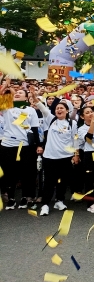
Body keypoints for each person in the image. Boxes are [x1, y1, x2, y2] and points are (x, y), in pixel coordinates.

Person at [0, 81, 41, 210]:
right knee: (9, 173)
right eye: (16, 92)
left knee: (26, 174)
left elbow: (34, 129)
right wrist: (5, 86)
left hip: (25, 146)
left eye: (21, 93)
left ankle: (25, 197)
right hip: (8, 145)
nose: (17, 93)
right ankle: (11, 198)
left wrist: (38, 145)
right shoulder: (7, 106)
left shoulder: (30, 110)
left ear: (26, 98)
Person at [40, 102, 79, 216]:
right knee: (49, 181)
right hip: (50, 157)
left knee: (62, 181)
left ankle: (59, 200)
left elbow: (75, 139)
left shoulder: (72, 123)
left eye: (62, 108)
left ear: (67, 111)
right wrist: (34, 97)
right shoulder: (51, 119)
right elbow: (42, 108)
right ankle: (45, 204)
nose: (59, 110)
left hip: (66, 157)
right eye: (57, 108)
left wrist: (76, 154)